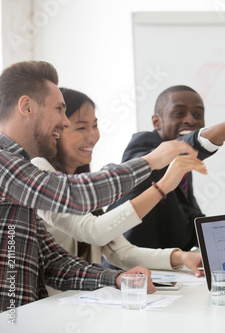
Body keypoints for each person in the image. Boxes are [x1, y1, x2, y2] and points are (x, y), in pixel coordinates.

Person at [0, 61, 194, 311]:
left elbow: (51, 262)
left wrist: (114, 278)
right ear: (27, 106)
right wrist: (151, 161)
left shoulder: (21, 177)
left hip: (22, 320)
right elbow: (74, 194)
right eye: (59, 109)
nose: (65, 122)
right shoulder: (5, 165)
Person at [32, 88, 207, 287]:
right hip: (45, 307)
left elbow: (121, 253)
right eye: (81, 128)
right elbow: (94, 231)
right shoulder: (39, 171)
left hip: (81, 302)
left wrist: (181, 258)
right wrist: (162, 187)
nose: (93, 136)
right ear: (57, 131)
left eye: (95, 126)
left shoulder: (81, 182)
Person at [107, 66, 225, 253]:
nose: (191, 120)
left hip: (170, 268)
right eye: (179, 113)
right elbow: (175, 150)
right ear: (156, 122)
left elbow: (192, 224)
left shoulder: (182, 164)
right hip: (130, 271)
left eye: (198, 115)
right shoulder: (142, 149)